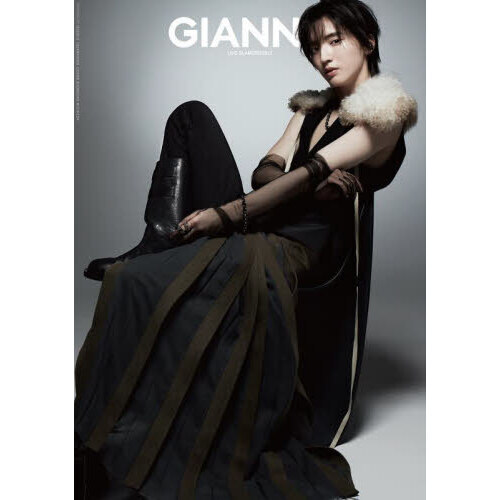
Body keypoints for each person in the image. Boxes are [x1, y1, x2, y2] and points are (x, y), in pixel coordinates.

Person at [75, 1, 417, 498]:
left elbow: (297, 173)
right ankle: (156, 239)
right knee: (191, 116)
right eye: (313, 47)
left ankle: (161, 256)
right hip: (262, 218)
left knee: (136, 282)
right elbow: (268, 171)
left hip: (298, 249)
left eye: (335, 40)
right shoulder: (312, 108)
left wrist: (237, 209)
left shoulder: (385, 113)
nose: (323, 56)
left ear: (367, 41)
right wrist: (304, 181)